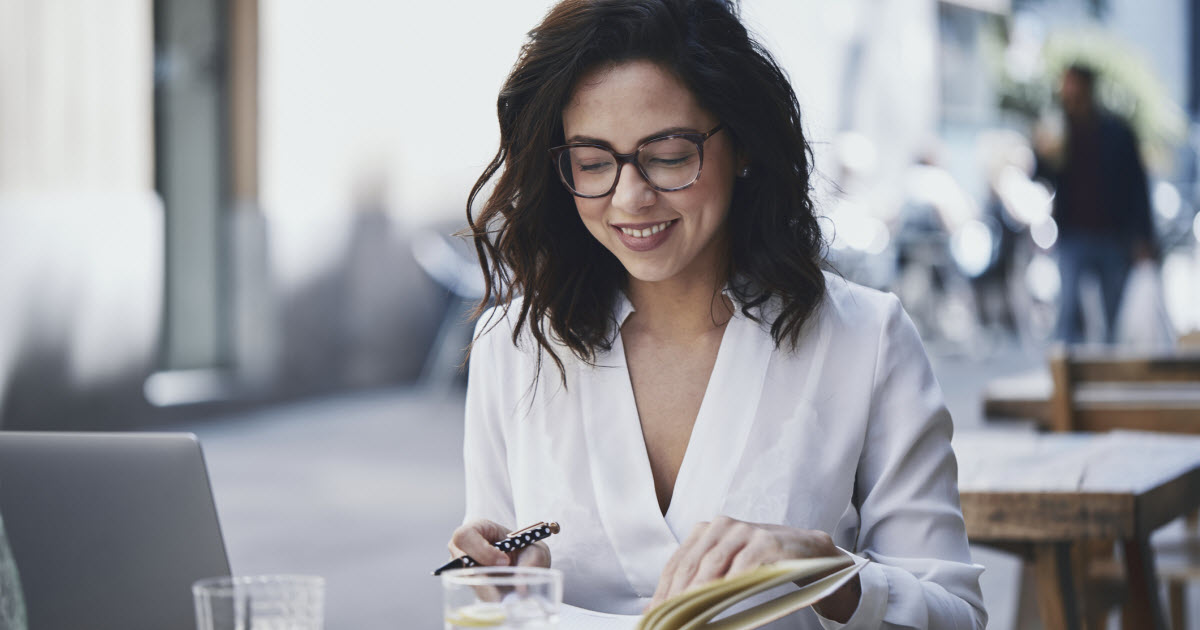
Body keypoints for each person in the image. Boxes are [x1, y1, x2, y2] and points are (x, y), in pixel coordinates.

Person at [446, 1, 987, 627]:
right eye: (592, 163)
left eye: (670, 155)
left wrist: (827, 571)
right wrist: (504, 592)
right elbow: (493, 607)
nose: (630, 197)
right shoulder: (514, 346)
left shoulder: (864, 340)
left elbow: (960, 618)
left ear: (744, 145)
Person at [1034, 63, 1156, 344]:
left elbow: (1137, 186)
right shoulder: (1059, 131)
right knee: (1068, 310)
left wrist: (1143, 237)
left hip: (1112, 235)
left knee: (1113, 313)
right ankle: (1067, 373)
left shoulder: (1116, 132)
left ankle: (1109, 371)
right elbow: (1044, 175)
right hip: (1073, 234)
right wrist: (1040, 153)